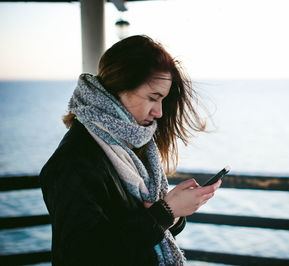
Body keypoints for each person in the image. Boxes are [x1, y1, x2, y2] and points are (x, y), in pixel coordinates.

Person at [39, 35, 221, 266]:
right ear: (119, 87)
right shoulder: (72, 162)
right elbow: (83, 256)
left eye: (162, 100)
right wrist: (165, 212)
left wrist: (173, 213)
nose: (159, 112)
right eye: (153, 98)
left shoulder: (130, 143)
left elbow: (141, 228)